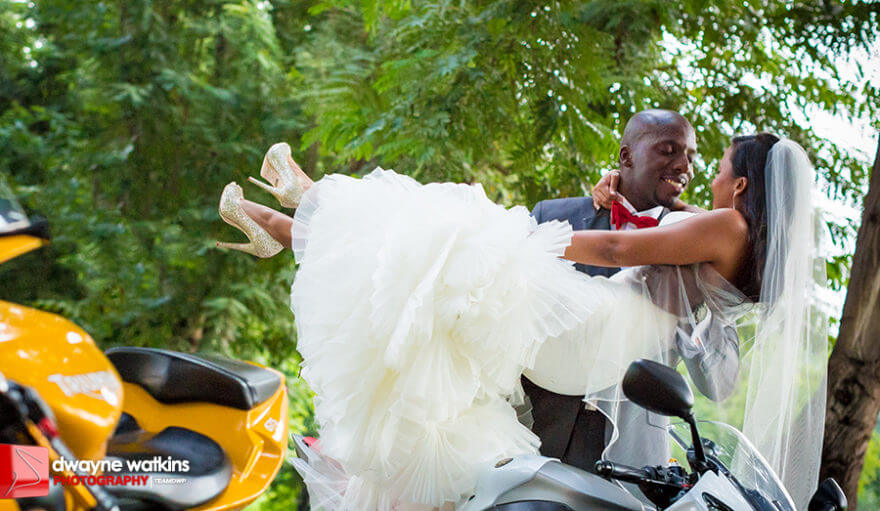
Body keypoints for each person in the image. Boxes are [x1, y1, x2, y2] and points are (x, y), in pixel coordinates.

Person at [215, 132, 827, 510]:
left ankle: (309, 206)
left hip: (589, 327)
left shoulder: (726, 225)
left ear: (740, 185)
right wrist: (614, 198)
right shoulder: (748, 250)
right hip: (598, 347)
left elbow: (618, 249)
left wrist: (531, 240)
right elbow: (666, 228)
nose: (706, 175)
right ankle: (292, 222)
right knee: (436, 272)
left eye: (718, 167)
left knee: (459, 238)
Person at [521, 109, 741, 476]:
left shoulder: (697, 248)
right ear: (626, 156)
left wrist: (701, 306)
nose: (683, 166)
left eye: (690, 157)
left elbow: (718, 386)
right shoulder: (552, 217)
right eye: (668, 150)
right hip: (531, 436)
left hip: (630, 461)